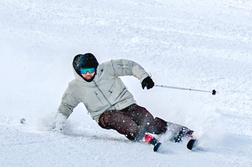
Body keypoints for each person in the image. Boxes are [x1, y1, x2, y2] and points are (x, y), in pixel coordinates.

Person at [55, 52, 190, 146]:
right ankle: (140, 135)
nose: (89, 74)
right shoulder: (75, 88)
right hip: (104, 115)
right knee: (121, 120)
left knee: (148, 121)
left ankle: (179, 132)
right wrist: (58, 125)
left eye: (91, 70)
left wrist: (144, 77)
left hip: (126, 105)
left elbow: (130, 66)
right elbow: (66, 106)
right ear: (79, 72)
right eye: (84, 72)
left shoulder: (107, 69)